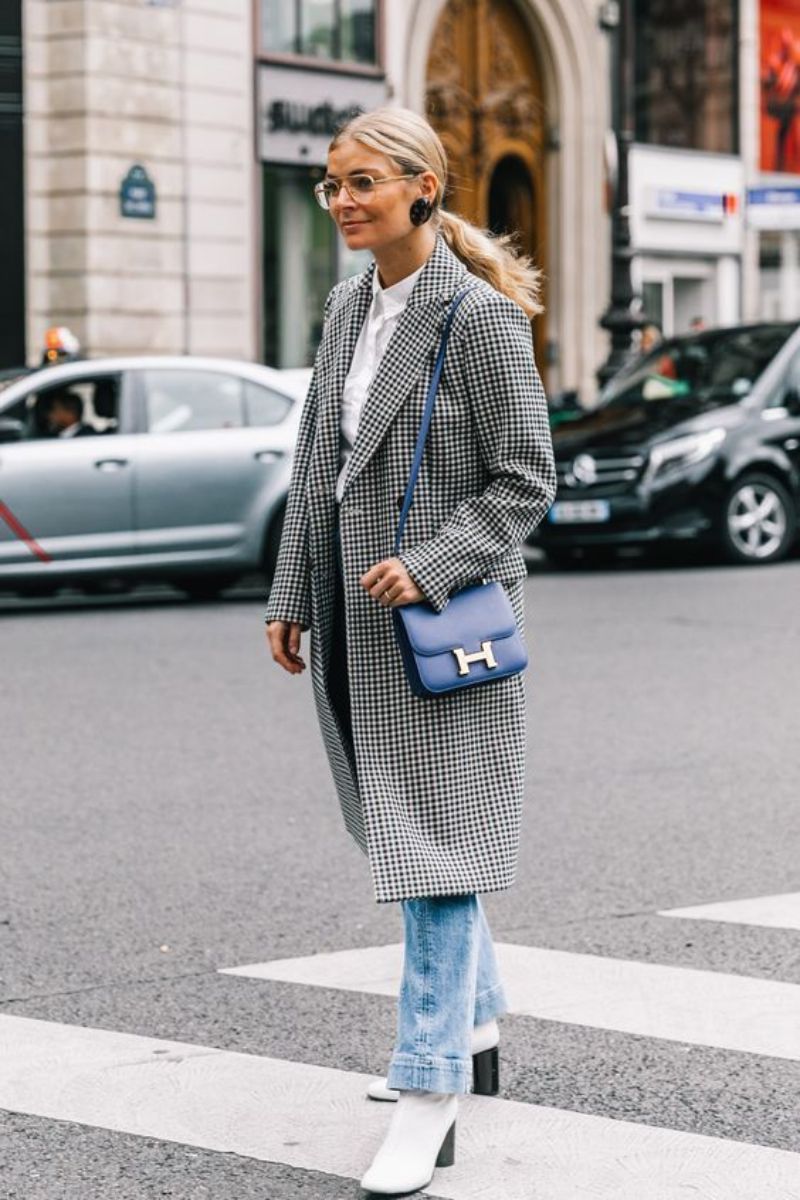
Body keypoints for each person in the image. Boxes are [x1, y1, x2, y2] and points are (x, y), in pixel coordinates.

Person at [264, 106, 556, 1196]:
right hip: (351, 618)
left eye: (362, 182)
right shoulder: (348, 305)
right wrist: (291, 593)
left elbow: (525, 480)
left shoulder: (475, 319)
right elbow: (314, 468)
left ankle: (429, 1092)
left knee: (429, 858)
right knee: (409, 832)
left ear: (422, 186)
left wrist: (430, 562)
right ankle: (473, 1028)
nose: (341, 200)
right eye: (329, 184)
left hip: (443, 628)